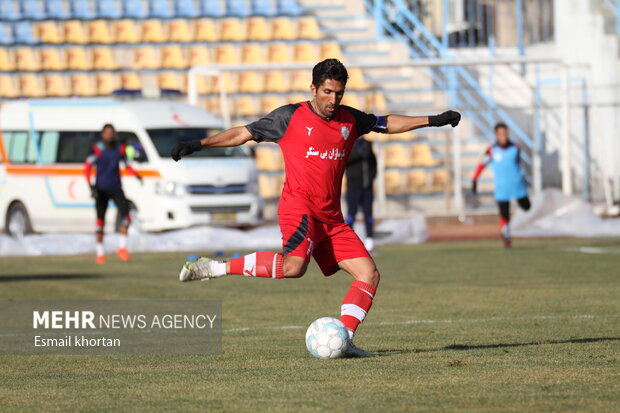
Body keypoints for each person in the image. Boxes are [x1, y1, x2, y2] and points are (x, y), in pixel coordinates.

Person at [171, 59, 461, 357]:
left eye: (338, 93)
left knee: (369, 274)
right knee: (295, 267)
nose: (333, 100)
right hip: (299, 209)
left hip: (332, 218)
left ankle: (344, 340)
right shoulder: (289, 117)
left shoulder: (350, 119)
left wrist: (432, 120)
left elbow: (385, 123)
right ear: (313, 88)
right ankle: (212, 268)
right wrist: (198, 144)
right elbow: (242, 133)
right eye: (326, 92)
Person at [84, 124, 142, 264]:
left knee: (127, 217)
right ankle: (100, 253)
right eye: (107, 133)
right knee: (100, 223)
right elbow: (87, 166)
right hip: (101, 189)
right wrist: (90, 186)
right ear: (103, 134)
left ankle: (122, 248)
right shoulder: (97, 148)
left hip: (116, 188)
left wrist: (136, 174)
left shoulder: (119, 148)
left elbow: (126, 164)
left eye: (112, 133)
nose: (110, 135)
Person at [471, 122, 531, 248]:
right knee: (504, 215)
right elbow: (482, 165)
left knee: (527, 207)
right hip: (502, 189)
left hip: (517, 186)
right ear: (496, 135)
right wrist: (475, 180)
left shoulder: (515, 147)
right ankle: (506, 239)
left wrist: (524, 178)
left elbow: (519, 165)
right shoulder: (491, 151)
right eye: (500, 134)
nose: (503, 136)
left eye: (505, 133)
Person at [345, 136, 377, 252]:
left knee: (368, 216)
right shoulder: (348, 145)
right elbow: (346, 162)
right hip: (353, 187)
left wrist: (372, 177)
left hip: (367, 188)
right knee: (351, 215)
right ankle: (349, 243)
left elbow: (373, 163)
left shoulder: (368, 144)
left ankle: (370, 242)